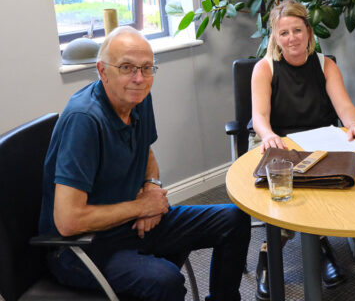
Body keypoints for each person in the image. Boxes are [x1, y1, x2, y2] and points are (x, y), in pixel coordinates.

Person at [38, 26, 251, 301]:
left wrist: (151, 188)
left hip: (129, 223)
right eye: (126, 67)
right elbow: (67, 221)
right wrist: (141, 206)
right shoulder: (84, 120)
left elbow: (145, 150)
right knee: (165, 280)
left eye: (147, 68)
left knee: (234, 219)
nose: (139, 78)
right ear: (102, 71)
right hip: (82, 248)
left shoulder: (138, 97)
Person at [250, 0, 355, 300]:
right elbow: (259, 117)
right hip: (282, 143)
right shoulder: (264, 68)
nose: (291, 38)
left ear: (308, 31)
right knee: (287, 188)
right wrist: (267, 135)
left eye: (297, 30)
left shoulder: (325, 64)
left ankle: (318, 244)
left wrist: (354, 124)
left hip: (321, 141)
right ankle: (268, 257)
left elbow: (343, 106)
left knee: (340, 178)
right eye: (284, 33)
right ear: (275, 37)